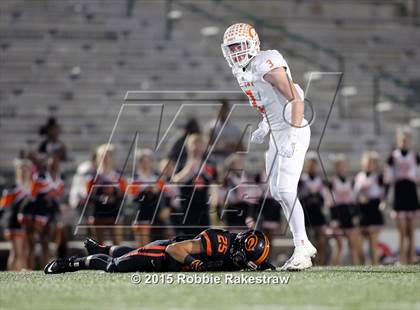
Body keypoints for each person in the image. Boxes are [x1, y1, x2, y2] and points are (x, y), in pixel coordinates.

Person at [221, 23, 315, 270]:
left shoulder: (265, 63)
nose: (236, 52)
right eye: (231, 48)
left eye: (239, 46)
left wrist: (292, 136)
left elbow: (296, 98)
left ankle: (303, 247)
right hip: (277, 132)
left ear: (252, 43)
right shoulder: (245, 70)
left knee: (285, 190)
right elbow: (269, 101)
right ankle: (302, 243)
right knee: (275, 190)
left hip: (292, 129)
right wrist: (265, 125)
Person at [44, 228, 273, 273]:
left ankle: (106, 248)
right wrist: (198, 264)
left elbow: (258, 262)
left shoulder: (240, 252)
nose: (243, 263)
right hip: (163, 255)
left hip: (173, 265)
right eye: (244, 258)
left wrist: (263, 264)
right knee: (116, 266)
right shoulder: (219, 243)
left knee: (130, 254)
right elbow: (175, 249)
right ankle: (72, 263)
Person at [384, 128, 419, 264]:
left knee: (411, 232)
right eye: (402, 140)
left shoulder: (415, 156)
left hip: (411, 194)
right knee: (402, 231)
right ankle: (402, 259)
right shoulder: (393, 157)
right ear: (398, 141)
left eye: (407, 140)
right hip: (399, 194)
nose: (405, 143)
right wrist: (385, 198)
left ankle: (411, 259)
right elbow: (387, 179)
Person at [172, 134, 216, 236]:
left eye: (199, 144)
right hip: (186, 208)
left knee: (204, 238)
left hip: (203, 208)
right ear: (188, 146)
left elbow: (215, 180)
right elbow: (175, 180)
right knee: (187, 238)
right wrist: (189, 167)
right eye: (194, 144)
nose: (196, 147)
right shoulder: (182, 162)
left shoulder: (209, 163)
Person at [85, 144, 126, 245]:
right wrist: (101, 199)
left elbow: (124, 194)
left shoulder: (118, 175)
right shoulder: (93, 176)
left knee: (117, 245)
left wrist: (114, 197)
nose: (106, 159)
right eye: (103, 156)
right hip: (98, 213)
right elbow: (89, 195)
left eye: (109, 156)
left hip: (115, 212)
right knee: (98, 245)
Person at [328, 156, 361, 265]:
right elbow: (330, 201)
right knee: (339, 245)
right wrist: (333, 218)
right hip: (338, 214)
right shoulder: (332, 182)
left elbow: (354, 200)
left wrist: (355, 215)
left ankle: (357, 269)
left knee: (353, 245)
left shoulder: (351, 182)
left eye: (343, 166)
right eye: (339, 166)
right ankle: (334, 268)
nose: (342, 168)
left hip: (349, 214)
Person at [0, 159, 32, 270]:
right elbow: (3, 206)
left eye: (26, 170)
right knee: (17, 252)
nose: (24, 172)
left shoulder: (32, 187)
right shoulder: (13, 188)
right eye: (21, 170)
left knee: (25, 251)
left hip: (27, 223)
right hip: (14, 223)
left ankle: (23, 273)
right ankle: (14, 273)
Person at [354, 151, 385, 265]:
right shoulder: (359, 177)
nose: (369, 165)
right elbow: (354, 194)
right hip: (362, 211)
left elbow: (384, 193)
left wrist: (383, 203)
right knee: (359, 246)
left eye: (372, 163)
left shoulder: (378, 177)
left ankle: (375, 266)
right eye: (367, 162)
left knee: (373, 244)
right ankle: (362, 266)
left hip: (374, 209)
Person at [299, 156, 329, 265]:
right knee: (307, 241)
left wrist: (317, 196)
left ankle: (320, 263)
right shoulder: (301, 179)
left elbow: (325, 198)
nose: (311, 166)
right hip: (306, 214)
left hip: (317, 213)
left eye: (314, 164)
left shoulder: (320, 180)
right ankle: (310, 263)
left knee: (321, 241)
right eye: (310, 164)